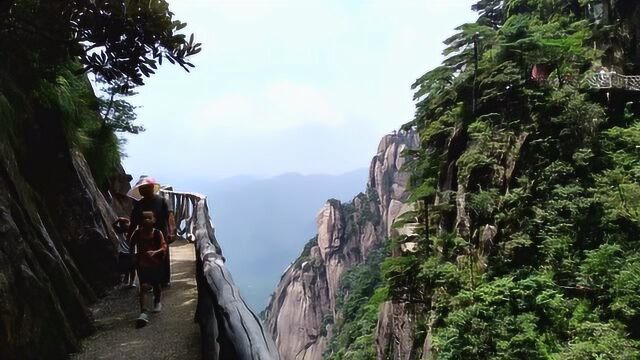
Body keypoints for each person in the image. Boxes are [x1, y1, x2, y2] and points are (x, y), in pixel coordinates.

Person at [127, 176, 176, 287]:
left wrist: (172, 231)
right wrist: (130, 235)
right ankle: (147, 281)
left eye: (145, 188)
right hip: (143, 235)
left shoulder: (162, 201)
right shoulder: (138, 205)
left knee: (162, 256)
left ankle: (163, 280)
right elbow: (133, 221)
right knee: (144, 258)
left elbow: (170, 216)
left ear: (152, 187)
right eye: (141, 188)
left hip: (160, 234)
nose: (143, 190)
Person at [130, 211, 168, 328]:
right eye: (144, 218)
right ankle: (143, 312)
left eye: (149, 218)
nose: (146, 220)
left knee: (156, 284)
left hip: (156, 263)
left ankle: (157, 301)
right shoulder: (137, 233)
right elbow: (131, 244)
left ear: (154, 220)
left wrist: (155, 252)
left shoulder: (157, 233)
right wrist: (133, 257)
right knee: (144, 286)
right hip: (142, 264)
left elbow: (163, 246)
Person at [112, 217, 135, 289]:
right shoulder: (122, 232)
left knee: (131, 269)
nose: (128, 225)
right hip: (125, 253)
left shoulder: (128, 232)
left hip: (129, 253)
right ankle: (127, 282)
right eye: (126, 224)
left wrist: (119, 220)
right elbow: (113, 225)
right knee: (127, 269)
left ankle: (130, 283)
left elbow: (113, 225)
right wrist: (119, 219)